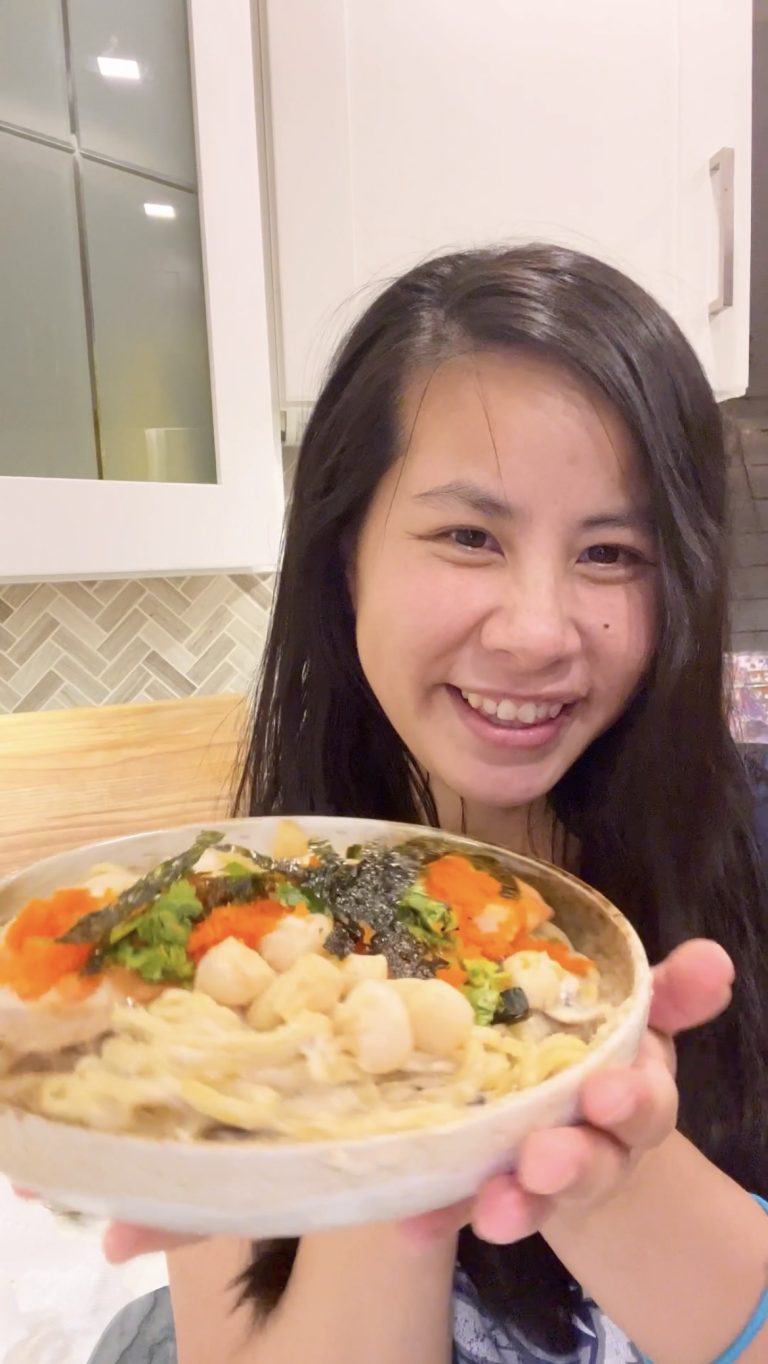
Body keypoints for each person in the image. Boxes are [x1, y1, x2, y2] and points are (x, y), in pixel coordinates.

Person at [87, 244, 768, 1364]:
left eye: (611, 553)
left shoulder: (744, 863)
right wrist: (389, 1095)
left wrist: (596, 1153)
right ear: (345, 552)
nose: (537, 631)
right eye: (468, 536)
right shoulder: (238, 926)